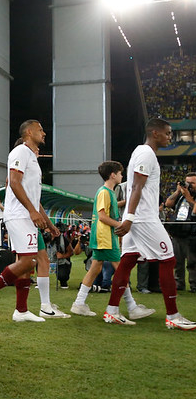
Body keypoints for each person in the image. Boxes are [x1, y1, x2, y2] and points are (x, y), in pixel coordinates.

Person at [103, 118, 196, 329]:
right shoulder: (146, 154)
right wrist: (130, 218)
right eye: (169, 133)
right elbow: (136, 187)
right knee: (168, 259)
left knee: (127, 261)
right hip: (143, 217)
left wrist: (129, 216)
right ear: (155, 133)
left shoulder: (140, 152)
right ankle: (173, 316)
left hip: (137, 216)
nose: (170, 137)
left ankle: (112, 311)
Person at [0, 120, 66, 322]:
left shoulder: (32, 158)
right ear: (30, 131)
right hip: (19, 215)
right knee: (28, 260)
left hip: (27, 215)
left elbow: (34, 197)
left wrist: (48, 223)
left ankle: (21, 310)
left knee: (28, 264)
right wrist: (32, 212)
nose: (44, 133)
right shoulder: (20, 152)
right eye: (41, 130)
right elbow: (14, 183)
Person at [70, 161, 154, 317]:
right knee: (121, 269)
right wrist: (122, 225)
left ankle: (79, 303)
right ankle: (132, 307)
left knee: (96, 268)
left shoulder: (108, 193)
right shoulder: (105, 192)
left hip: (104, 237)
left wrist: (129, 201)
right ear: (113, 175)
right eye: (120, 173)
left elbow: (110, 207)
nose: (122, 175)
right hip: (106, 237)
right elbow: (102, 216)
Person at [163, 172, 196, 292]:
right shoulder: (181, 195)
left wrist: (188, 197)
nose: (189, 185)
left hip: (192, 233)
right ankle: (179, 283)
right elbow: (168, 204)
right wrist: (178, 191)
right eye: (187, 182)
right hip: (178, 231)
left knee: (193, 262)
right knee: (177, 261)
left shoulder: (189, 196)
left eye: (192, 183)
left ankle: (194, 285)